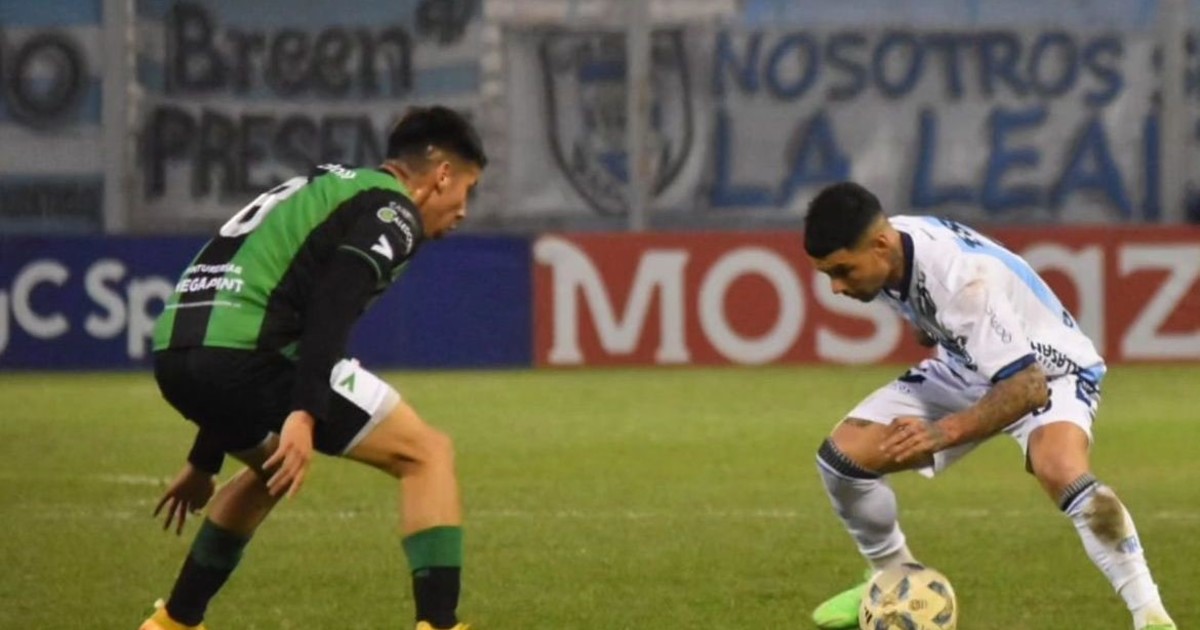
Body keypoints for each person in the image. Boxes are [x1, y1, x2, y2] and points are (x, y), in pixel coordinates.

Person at [139, 106, 486, 630]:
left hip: (177, 352)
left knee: (271, 471)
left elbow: (238, 331)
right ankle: (438, 626)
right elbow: (332, 304)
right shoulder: (393, 211)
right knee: (427, 454)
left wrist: (205, 461)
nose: (462, 210)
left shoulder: (327, 186)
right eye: (467, 188)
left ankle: (174, 624)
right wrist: (304, 412)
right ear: (441, 174)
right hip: (249, 354)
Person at [802, 182, 1176, 630]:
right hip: (967, 367)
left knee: (1060, 469)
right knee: (842, 460)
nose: (837, 287)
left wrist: (944, 432)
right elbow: (929, 313)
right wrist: (932, 327)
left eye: (842, 271)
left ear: (880, 245)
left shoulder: (958, 281)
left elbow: (1027, 387)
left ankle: (1151, 616)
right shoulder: (891, 250)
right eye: (828, 274)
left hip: (1050, 372)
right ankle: (892, 579)